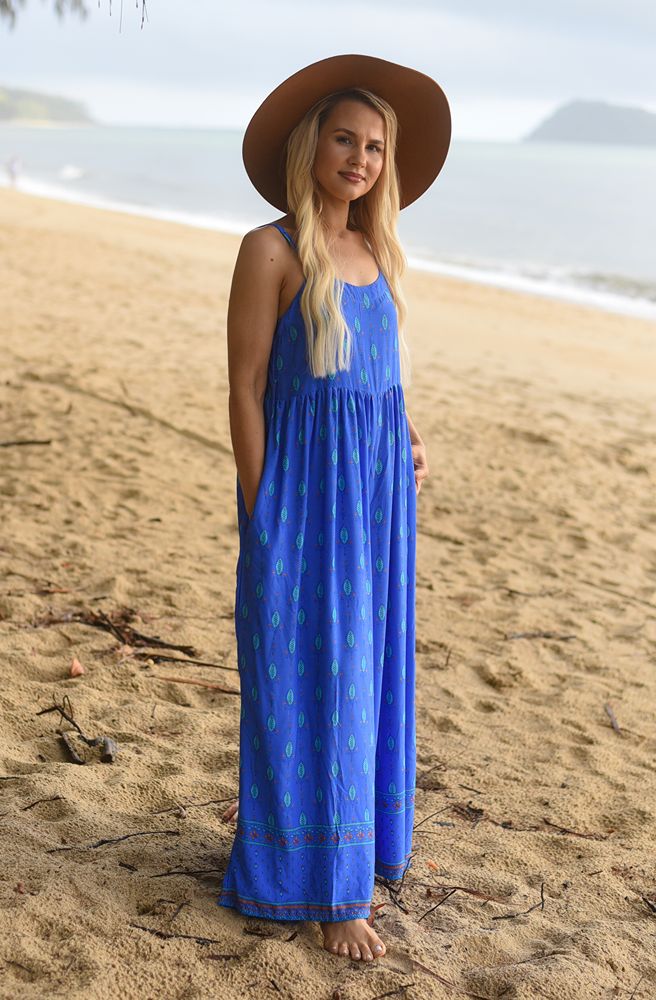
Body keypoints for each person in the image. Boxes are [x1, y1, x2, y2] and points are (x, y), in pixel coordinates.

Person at [218, 53, 451, 961]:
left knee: (368, 676)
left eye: (376, 147)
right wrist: (261, 507)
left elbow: (375, 383)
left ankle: (357, 853)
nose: (360, 158)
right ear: (313, 145)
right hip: (302, 502)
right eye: (345, 139)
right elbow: (243, 389)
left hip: (379, 499)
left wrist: (411, 438)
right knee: (306, 679)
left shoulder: (380, 253)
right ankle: (323, 891)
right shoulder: (270, 250)